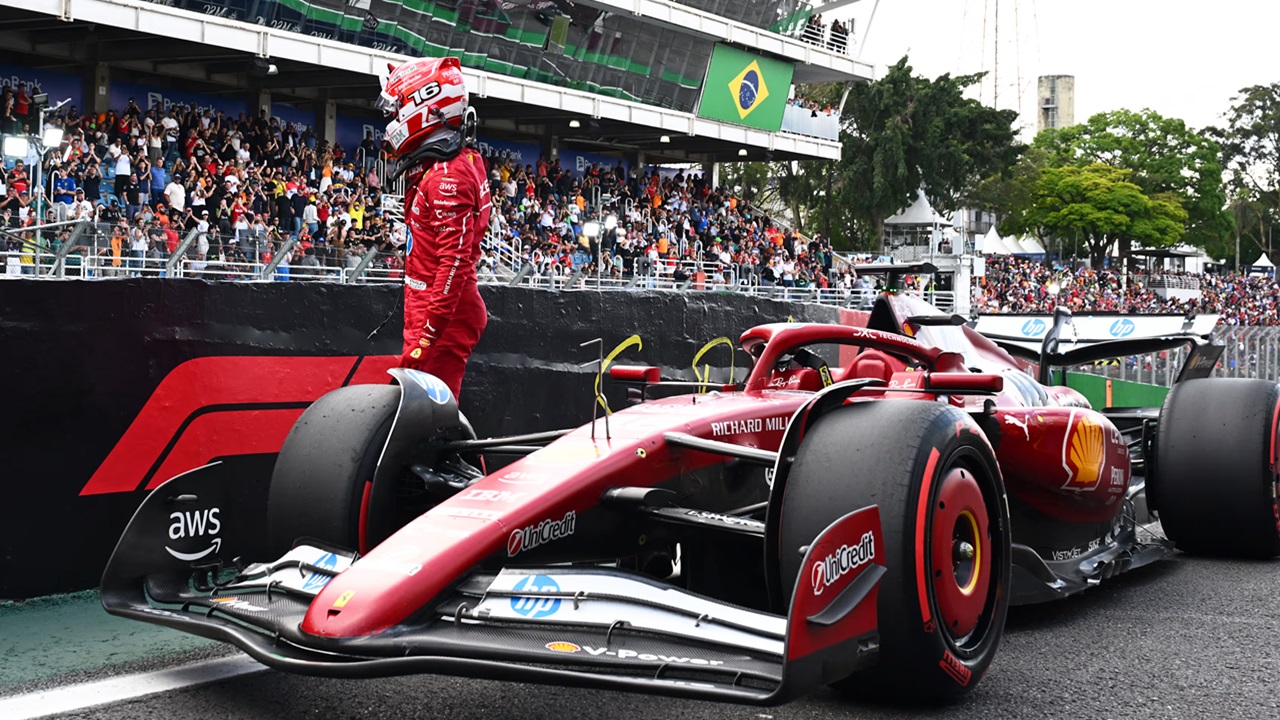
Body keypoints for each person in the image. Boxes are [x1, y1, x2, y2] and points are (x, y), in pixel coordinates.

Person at [378, 56, 491, 402]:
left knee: (431, 427)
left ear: (425, 107)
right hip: (433, 310)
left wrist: (425, 340)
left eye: (397, 109)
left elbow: (453, 266)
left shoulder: (447, 176)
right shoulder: (454, 162)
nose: (392, 119)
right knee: (425, 424)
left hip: (440, 318)